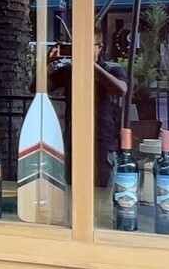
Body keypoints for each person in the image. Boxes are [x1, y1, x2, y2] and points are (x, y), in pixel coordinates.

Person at [48, 35, 129, 187]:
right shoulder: (68, 71)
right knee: (73, 186)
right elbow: (36, 88)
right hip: (74, 140)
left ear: (100, 46)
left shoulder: (111, 69)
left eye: (87, 45)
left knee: (103, 188)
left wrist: (91, 65)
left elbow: (121, 90)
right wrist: (47, 62)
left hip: (103, 141)